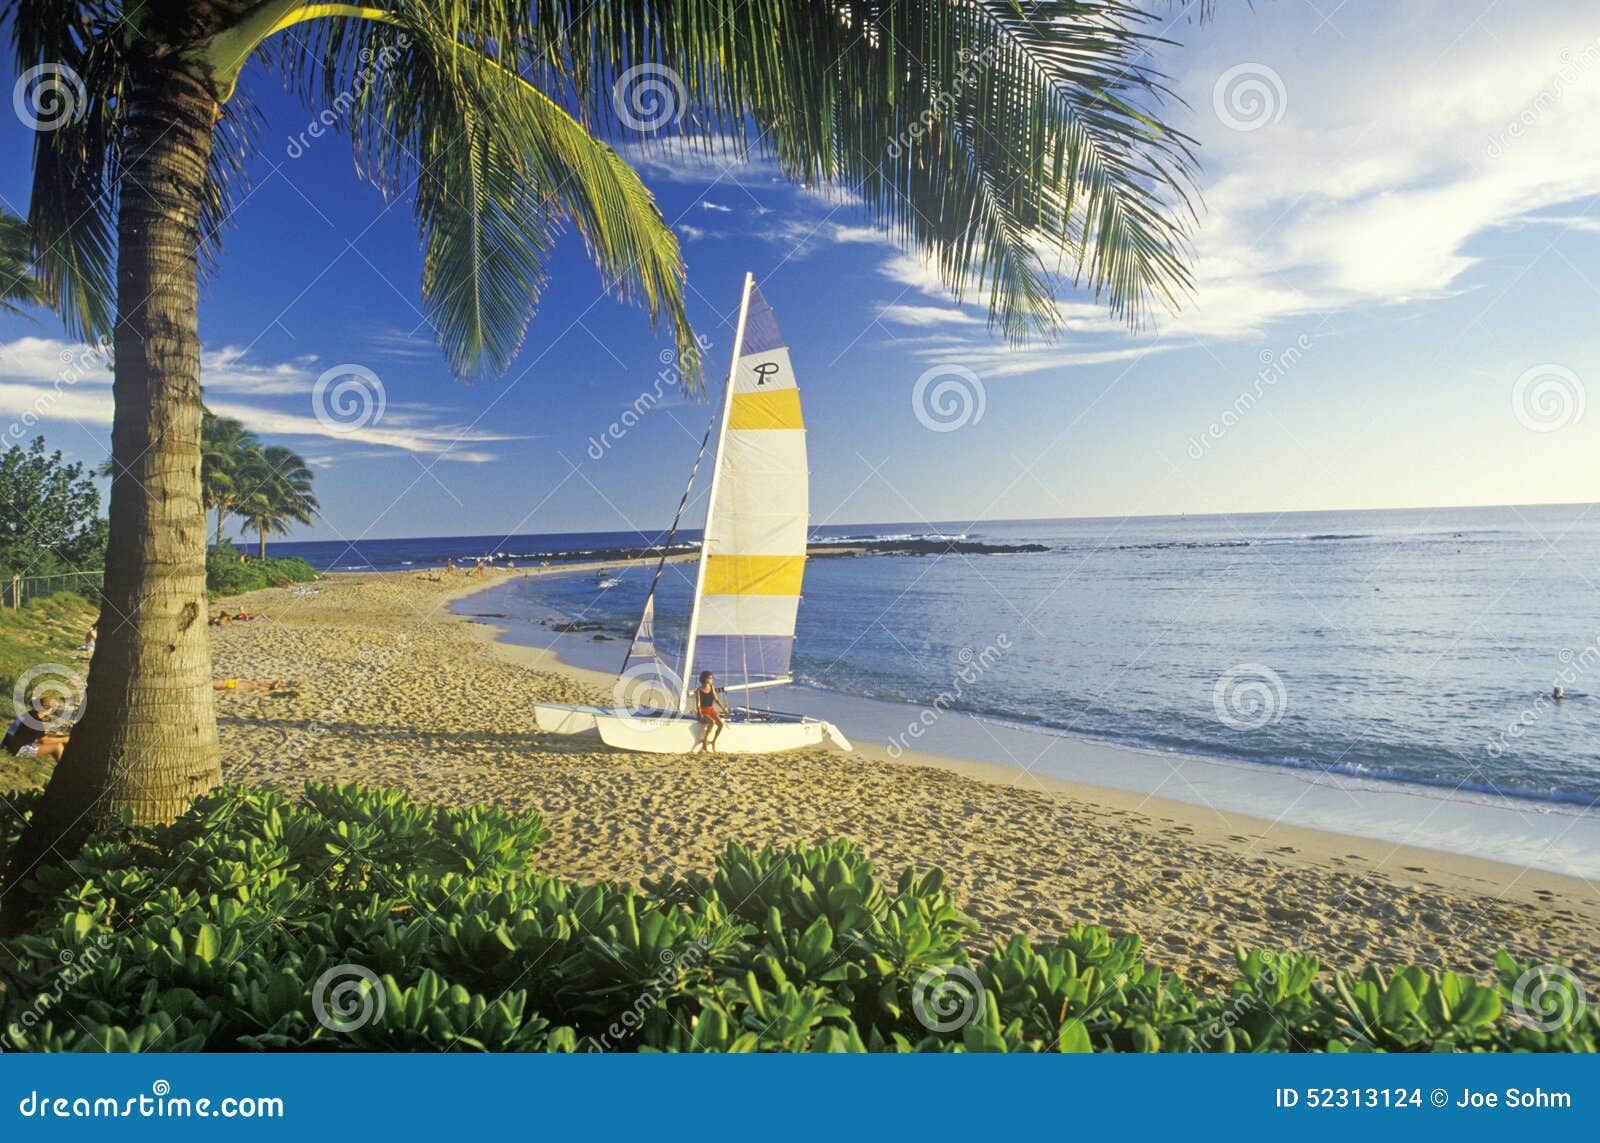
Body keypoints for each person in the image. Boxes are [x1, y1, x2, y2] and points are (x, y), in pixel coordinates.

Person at [4, 694, 72, 763]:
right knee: (57, 747)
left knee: (56, 742)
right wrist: (64, 739)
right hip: (15, 749)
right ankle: (65, 771)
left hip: (8, 745)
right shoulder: (36, 721)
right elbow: (44, 740)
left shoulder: (30, 714)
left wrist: (61, 736)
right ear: (49, 709)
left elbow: (44, 734)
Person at [694, 671, 731, 752]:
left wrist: (723, 708)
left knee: (720, 724)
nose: (712, 679)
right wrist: (700, 714)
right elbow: (698, 704)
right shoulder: (698, 690)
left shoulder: (712, 687)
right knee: (712, 722)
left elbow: (716, 699)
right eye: (710, 678)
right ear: (706, 679)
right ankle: (704, 740)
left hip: (711, 710)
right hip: (703, 711)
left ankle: (714, 741)